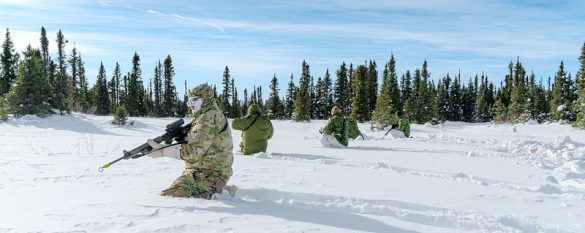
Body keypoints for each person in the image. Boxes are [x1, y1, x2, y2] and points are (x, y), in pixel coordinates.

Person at [146, 83, 233, 198]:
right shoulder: (209, 114)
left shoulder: (207, 118)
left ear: (206, 98)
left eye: (195, 100)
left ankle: (217, 191)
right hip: (204, 171)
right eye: (190, 100)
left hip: (210, 174)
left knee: (170, 196)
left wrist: (163, 151)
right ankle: (217, 189)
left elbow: (193, 153)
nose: (191, 104)